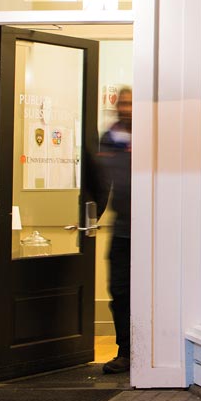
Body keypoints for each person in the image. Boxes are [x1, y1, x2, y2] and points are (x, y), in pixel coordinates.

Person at [94, 86, 132, 374]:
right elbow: (101, 181)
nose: (126, 109)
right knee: (119, 291)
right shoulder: (109, 138)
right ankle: (126, 351)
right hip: (121, 230)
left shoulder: (153, 135)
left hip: (151, 232)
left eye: (131, 104)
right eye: (123, 104)